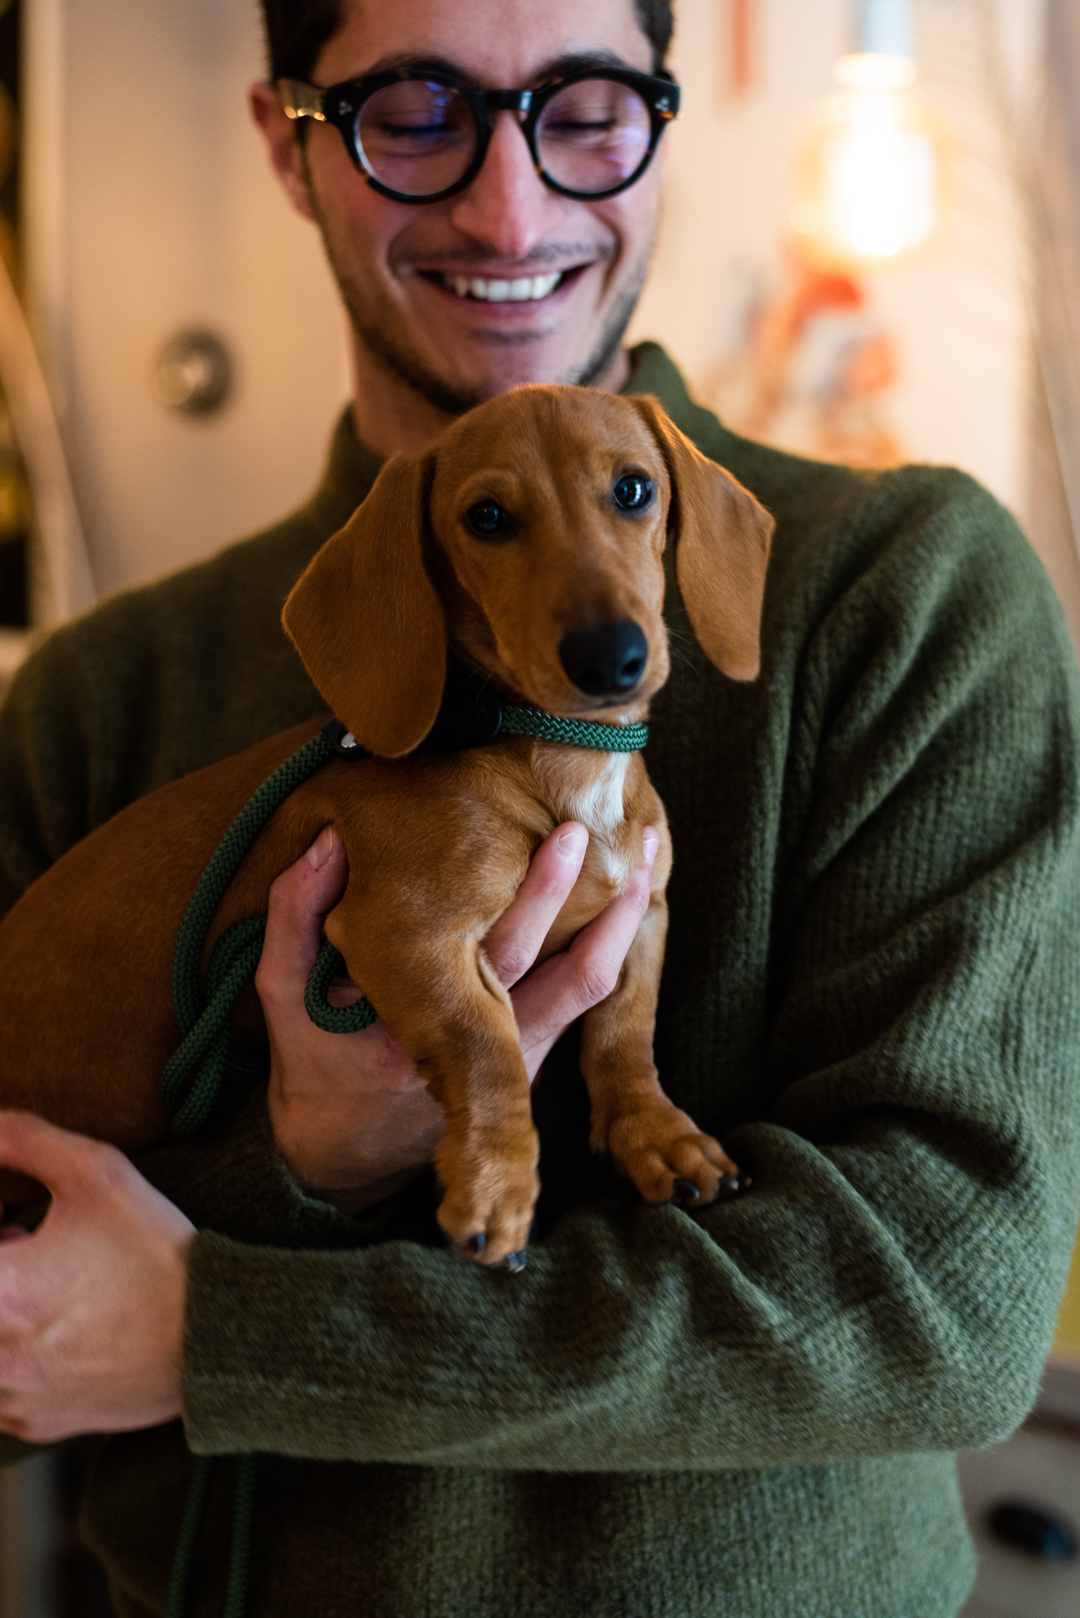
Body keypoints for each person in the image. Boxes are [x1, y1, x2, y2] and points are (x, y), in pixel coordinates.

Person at [2, 0, 1080, 1613]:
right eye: (413, 110)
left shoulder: (911, 596)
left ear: (663, 116)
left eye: (581, 106)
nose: (509, 209)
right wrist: (294, 1159)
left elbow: (934, 1303)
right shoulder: (100, 693)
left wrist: (213, 1321)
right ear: (287, 147)